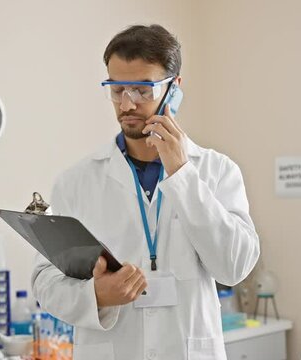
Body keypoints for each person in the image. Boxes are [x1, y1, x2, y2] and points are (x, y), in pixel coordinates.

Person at [32, 24, 260, 360]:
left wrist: (183, 174)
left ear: (174, 89)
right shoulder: (76, 181)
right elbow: (44, 282)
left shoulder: (217, 171)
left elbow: (234, 267)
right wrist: (96, 294)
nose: (127, 104)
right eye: (116, 89)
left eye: (142, 90)